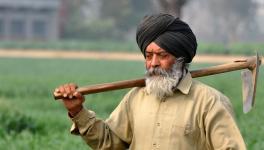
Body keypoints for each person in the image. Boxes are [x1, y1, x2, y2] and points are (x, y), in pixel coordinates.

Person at [55, 13, 246, 149]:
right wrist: (77, 111)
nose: (153, 63)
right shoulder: (136, 98)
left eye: (162, 55)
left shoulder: (210, 102)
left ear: (180, 58)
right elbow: (110, 143)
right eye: (148, 56)